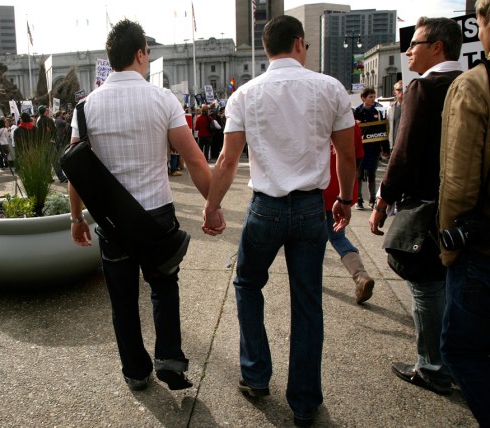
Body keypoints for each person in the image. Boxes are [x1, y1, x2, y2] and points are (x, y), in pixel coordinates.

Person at [202, 15, 355, 427]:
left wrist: (212, 205)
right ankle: (304, 402)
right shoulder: (330, 88)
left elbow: (228, 159)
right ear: (300, 44)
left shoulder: (246, 95)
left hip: (265, 207)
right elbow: (346, 153)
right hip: (310, 209)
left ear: (268, 49)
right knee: (308, 303)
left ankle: (256, 374)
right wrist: (344, 198)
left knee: (248, 283)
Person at [68, 19, 213, 392]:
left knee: (122, 299)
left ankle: (135, 371)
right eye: (148, 52)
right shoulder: (162, 99)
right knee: (164, 287)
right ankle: (169, 360)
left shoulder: (84, 109)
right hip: (156, 216)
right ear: (139, 54)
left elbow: (77, 172)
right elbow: (195, 160)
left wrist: (75, 218)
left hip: (112, 221)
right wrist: (212, 205)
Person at [368, 16, 463, 396]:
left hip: (427, 203)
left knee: (426, 286)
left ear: (437, 46)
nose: (408, 51)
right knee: (456, 284)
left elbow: (404, 153)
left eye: (415, 44)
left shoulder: (424, 88)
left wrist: (382, 199)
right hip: (467, 204)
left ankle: (432, 366)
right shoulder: (471, 80)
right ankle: (455, 361)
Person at [438, 1, 490, 424]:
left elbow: (458, 182)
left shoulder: (476, 85)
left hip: (484, 246)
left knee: (460, 349)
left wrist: (449, 247)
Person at [325, 123, 375, 304]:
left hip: (317, 189)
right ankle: (360, 275)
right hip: (341, 189)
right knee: (338, 237)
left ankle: (309, 278)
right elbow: (357, 156)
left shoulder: (313, 112)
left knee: (313, 240)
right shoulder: (351, 122)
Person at [353, 87, 389, 210]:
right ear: (363, 98)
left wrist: (386, 148)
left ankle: (373, 199)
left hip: (374, 148)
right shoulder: (357, 111)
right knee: (359, 174)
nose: (373, 99)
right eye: (370, 97)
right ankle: (359, 199)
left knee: (372, 174)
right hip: (361, 148)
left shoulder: (380, 111)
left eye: (374, 96)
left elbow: (383, 130)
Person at [386, 80, 404, 152]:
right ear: (394, 92)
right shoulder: (390, 108)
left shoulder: (412, 106)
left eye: (403, 89)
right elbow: (387, 127)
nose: (401, 91)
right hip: (394, 145)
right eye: (399, 89)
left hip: (407, 144)